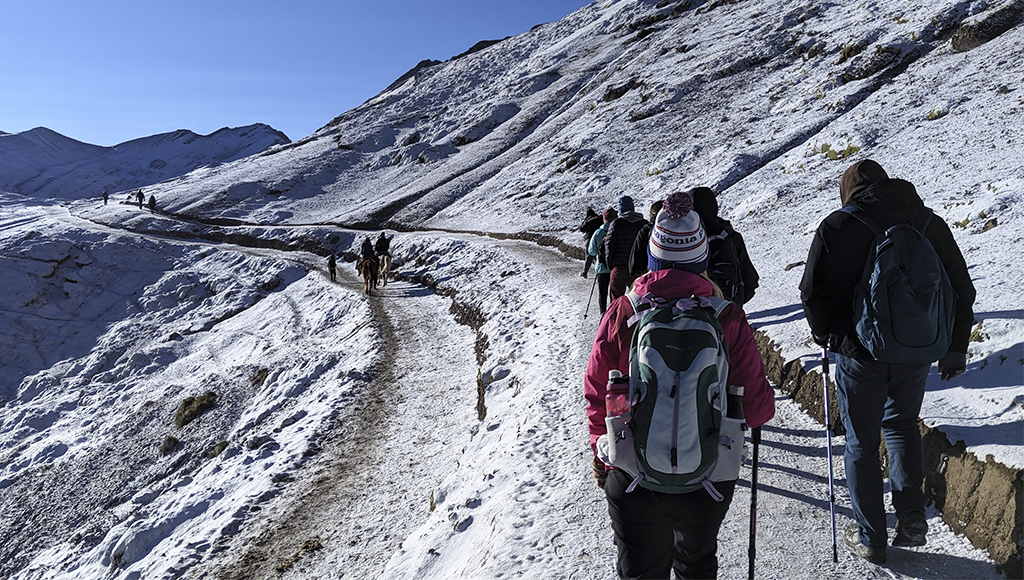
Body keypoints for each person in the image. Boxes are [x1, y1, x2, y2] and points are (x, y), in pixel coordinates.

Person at [585, 190, 775, 579]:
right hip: (707, 480)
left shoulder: (625, 310)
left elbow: (595, 389)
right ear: (701, 258)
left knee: (639, 570)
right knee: (696, 564)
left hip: (632, 473)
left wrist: (599, 447)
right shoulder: (728, 317)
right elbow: (758, 410)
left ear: (653, 256)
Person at [800, 159, 976, 564]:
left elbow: (812, 291)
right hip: (916, 352)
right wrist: (955, 348)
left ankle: (871, 537)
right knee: (900, 425)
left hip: (859, 355)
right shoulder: (928, 223)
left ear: (848, 191)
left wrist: (829, 336)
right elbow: (960, 287)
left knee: (861, 442)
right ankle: (912, 513)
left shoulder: (838, 225)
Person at [691, 187, 759, 305]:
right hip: (730, 308)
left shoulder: (687, 238)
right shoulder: (730, 235)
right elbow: (749, 278)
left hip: (697, 309)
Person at [602, 196, 649, 301]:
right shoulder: (644, 224)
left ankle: (617, 317)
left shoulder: (616, 224)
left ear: (620, 209)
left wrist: (611, 266)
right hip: (638, 269)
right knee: (638, 299)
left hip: (619, 268)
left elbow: (609, 246)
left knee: (616, 300)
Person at [587, 208, 617, 316]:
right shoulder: (618, 230)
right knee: (614, 294)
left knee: (602, 293)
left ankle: (603, 314)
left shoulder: (598, 232)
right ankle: (614, 314)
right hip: (615, 267)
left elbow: (592, 251)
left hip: (602, 268)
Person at [626, 200, 664, 279]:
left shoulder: (647, 229)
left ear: (651, 214)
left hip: (651, 275)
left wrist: (635, 272)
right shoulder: (681, 229)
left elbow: (637, 252)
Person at [579, 207, 603, 278]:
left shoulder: (588, 220)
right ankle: (599, 271)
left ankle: (585, 272)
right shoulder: (599, 218)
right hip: (599, 237)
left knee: (589, 255)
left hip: (589, 238)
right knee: (599, 255)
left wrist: (585, 221)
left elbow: (582, 229)